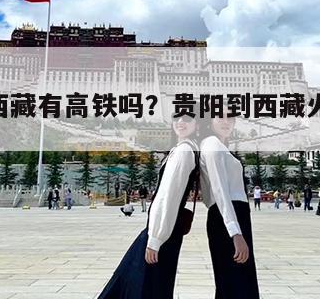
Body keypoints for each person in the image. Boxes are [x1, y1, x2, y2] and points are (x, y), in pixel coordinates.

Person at [99, 114, 200, 299]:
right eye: (177, 118)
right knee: (153, 285)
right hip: (168, 229)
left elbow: (167, 197)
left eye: (187, 119)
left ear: (196, 124)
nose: (180, 122)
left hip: (163, 231)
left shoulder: (184, 151)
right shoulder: (187, 149)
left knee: (137, 282)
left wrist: (155, 239)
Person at [199, 111, 260, 298]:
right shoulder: (212, 144)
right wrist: (235, 232)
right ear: (210, 121)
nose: (226, 122)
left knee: (236, 282)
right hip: (228, 217)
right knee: (236, 283)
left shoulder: (219, 146)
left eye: (230, 118)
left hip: (231, 215)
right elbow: (219, 190)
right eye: (220, 117)